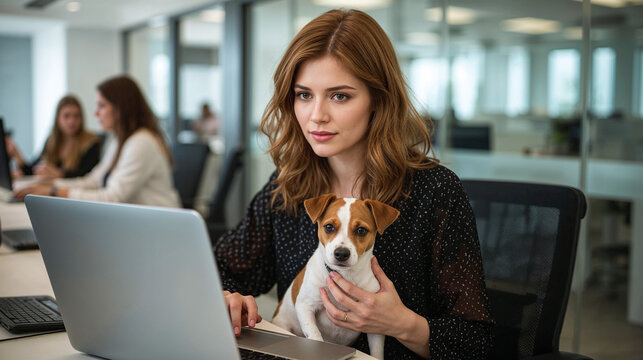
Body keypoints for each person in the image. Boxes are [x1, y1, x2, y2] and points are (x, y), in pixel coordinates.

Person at [215, 9, 492, 360]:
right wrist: (227, 295)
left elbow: (476, 342)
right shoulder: (288, 186)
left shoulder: (433, 192)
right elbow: (223, 268)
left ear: (378, 98)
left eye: (339, 96)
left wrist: (401, 323)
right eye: (304, 95)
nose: (316, 115)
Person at [15, 76, 181, 208]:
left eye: (101, 106)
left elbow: (112, 197)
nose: (95, 113)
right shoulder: (120, 141)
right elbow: (93, 181)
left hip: (160, 229)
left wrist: (53, 191)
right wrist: (50, 184)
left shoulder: (141, 142)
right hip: (139, 224)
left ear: (120, 109)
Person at [6, 95, 101, 180]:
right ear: (58, 118)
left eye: (76, 116)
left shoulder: (91, 142)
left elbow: (89, 177)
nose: (71, 121)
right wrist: (17, 156)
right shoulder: (52, 141)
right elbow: (34, 169)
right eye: (66, 116)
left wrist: (61, 175)